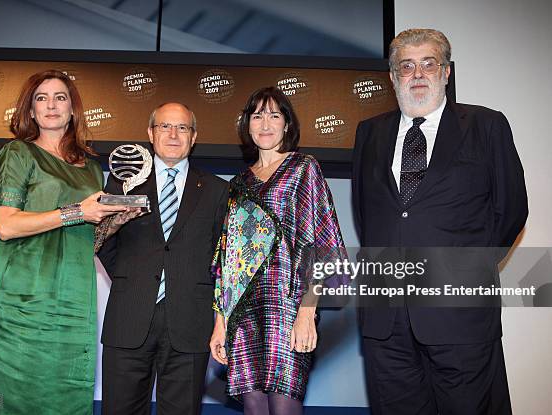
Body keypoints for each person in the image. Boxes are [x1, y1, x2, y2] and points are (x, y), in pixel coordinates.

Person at [352, 28, 528, 414]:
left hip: (460, 314)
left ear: (446, 72)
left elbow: (511, 209)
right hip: (386, 319)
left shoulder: (486, 125)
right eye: (407, 66)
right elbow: (368, 215)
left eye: (428, 64)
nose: (418, 73)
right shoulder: (370, 133)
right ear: (393, 77)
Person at [0, 69, 134, 414]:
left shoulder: (91, 169)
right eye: (41, 98)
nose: (51, 105)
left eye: (60, 97)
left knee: (67, 396)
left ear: (72, 109)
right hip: (25, 299)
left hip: (75, 300)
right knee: (15, 398)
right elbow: (6, 225)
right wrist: (77, 211)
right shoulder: (18, 154)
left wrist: (116, 220)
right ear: (30, 110)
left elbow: (88, 239)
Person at [209, 87, 345, 415]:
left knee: (284, 404)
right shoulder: (237, 184)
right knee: (254, 406)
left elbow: (320, 243)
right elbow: (226, 259)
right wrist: (219, 322)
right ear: (247, 125)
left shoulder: (303, 168)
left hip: (289, 305)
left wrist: (307, 312)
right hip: (241, 311)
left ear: (287, 124)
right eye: (258, 116)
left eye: (274, 115)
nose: (265, 123)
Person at [97, 102, 229, 415]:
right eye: (164, 126)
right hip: (128, 316)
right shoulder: (123, 181)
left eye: (182, 127)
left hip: (190, 322)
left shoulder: (216, 189)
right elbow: (102, 241)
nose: (173, 134)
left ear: (193, 136)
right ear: (150, 134)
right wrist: (133, 277)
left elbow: (222, 255)